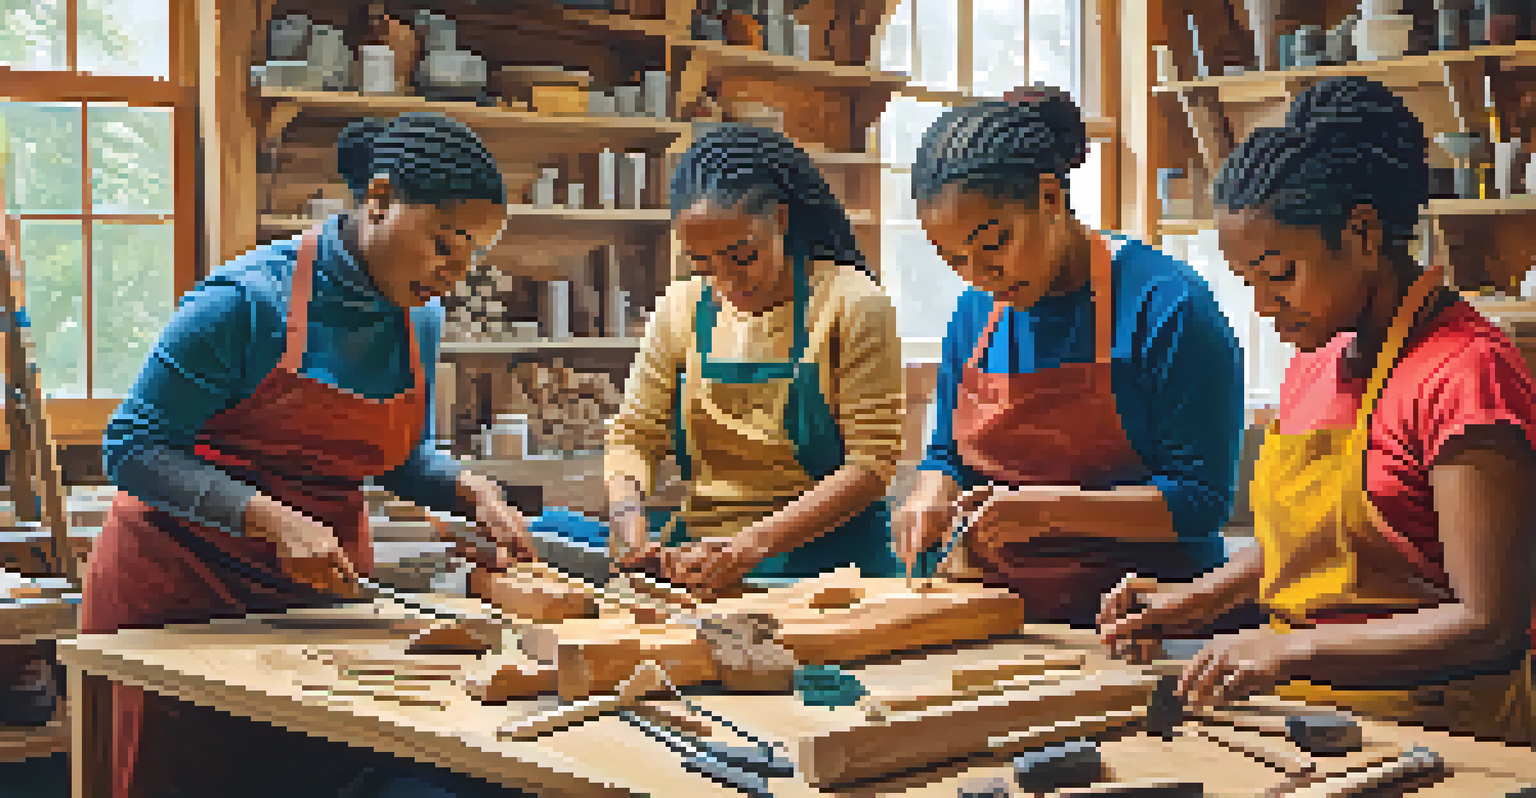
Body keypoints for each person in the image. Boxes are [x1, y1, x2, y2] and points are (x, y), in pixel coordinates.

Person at [84, 113, 531, 797]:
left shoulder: (420, 317)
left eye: (473, 258)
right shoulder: (243, 303)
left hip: (316, 599)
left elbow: (403, 458)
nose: (456, 274)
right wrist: (273, 520)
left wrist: (470, 490)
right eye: (445, 244)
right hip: (181, 596)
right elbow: (132, 447)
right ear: (379, 199)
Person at [1099, 76, 1536, 744]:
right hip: (1310, 715)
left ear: (1362, 233)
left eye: (1281, 275)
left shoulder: (1467, 372)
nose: (1264, 306)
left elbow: (1489, 623)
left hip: (1445, 729)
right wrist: (1195, 598)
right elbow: (1313, 544)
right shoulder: (1317, 358)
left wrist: (1289, 650)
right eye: (1250, 282)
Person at [894, 86, 1245, 627]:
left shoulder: (1169, 306)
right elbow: (947, 454)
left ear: (1050, 197)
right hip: (998, 616)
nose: (979, 277)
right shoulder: (974, 313)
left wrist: (1049, 511)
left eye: (995, 245)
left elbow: (1201, 502)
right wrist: (929, 491)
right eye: (955, 259)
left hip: (1144, 625)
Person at [531, 123, 907, 594]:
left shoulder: (851, 302)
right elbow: (635, 435)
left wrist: (748, 547)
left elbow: (871, 466)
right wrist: (628, 522)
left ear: (781, 220)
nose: (727, 281)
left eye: (743, 257)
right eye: (704, 264)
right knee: (543, 532)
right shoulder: (682, 307)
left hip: (829, 561)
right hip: (703, 554)